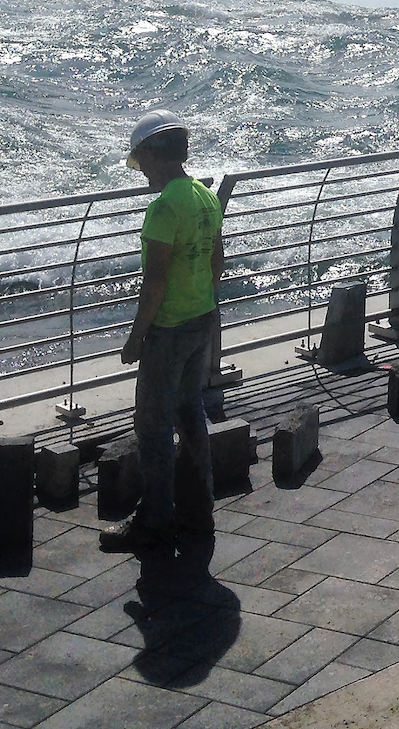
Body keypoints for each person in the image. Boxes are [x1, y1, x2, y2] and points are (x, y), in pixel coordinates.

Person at [99, 111, 225, 553]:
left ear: (152, 155)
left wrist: (137, 337)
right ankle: (199, 511)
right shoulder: (204, 197)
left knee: (152, 426)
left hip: (169, 329)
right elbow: (216, 262)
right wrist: (204, 307)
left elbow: (154, 282)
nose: (142, 172)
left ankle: (154, 522)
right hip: (201, 319)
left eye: (141, 161)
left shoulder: (164, 207)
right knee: (191, 412)